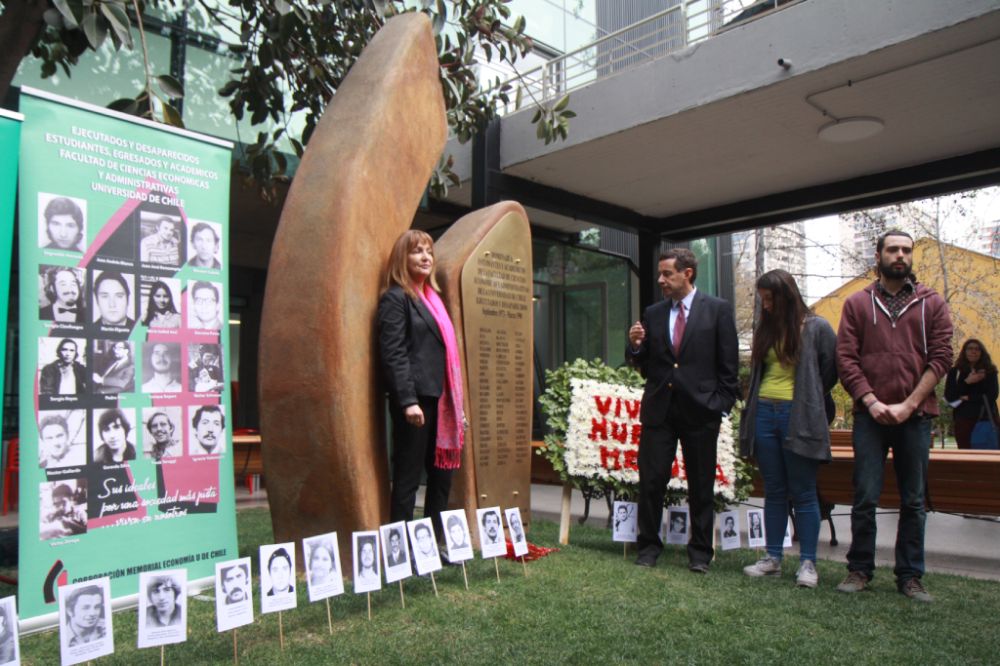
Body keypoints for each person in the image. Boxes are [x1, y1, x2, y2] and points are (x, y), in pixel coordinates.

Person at [836, 230, 953, 602]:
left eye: (906, 250)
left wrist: (909, 404)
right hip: (869, 416)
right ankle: (859, 570)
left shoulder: (932, 303)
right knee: (865, 496)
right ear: (879, 255)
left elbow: (942, 357)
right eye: (893, 249)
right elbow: (846, 359)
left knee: (914, 500)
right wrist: (870, 402)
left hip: (915, 417)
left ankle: (910, 576)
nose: (900, 255)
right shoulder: (856, 303)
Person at [627, 248, 739, 573]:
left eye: (667, 274)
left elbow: (728, 367)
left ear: (687, 273)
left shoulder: (717, 310)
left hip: (701, 413)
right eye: (660, 274)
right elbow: (646, 363)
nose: (661, 280)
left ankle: (700, 553)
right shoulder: (654, 312)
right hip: (660, 411)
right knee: (651, 482)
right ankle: (648, 547)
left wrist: (719, 405)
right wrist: (635, 345)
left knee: (701, 485)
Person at [739, 269, 838, 589]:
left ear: (785, 295)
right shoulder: (765, 330)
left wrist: (806, 399)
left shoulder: (817, 327)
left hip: (800, 417)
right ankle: (773, 559)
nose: (765, 305)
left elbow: (828, 372)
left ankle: (808, 562)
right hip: (764, 414)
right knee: (775, 491)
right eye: (762, 299)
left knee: (804, 491)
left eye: (769, 299)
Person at [377, 230, 465, 542]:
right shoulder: (395, 298)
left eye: (429, 251)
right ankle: (398, 550)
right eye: (417, 251)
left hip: (442, 403)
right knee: (407, 479)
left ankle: (434, 545)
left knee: (441, 479)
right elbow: (394, 353)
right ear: (403, 258)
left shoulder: (433, 301)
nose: (426, 257)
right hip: (416, 403)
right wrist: (407, 400)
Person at [944, 339, 999, 449]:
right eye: (970, 348)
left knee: (989, 457)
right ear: (964, 352)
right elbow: (950, 397)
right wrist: (967, 382)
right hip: (963, 420)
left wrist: (968, 397)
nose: (973, 351)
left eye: (977, 349)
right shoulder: (955, 372)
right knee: (966, 457)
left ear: (982, 353)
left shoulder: (989, 371)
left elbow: (992, 395)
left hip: (987, 418)